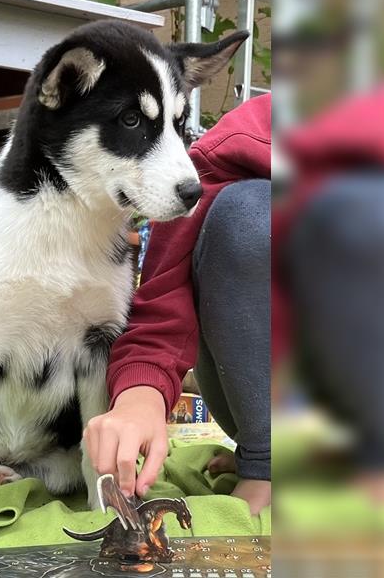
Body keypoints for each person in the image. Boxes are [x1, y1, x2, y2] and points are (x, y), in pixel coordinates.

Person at [84, 94, 272, 514]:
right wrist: (140, 397)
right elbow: (165, 297)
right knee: (247, 214)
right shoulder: (249, 137)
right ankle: (269, 458)